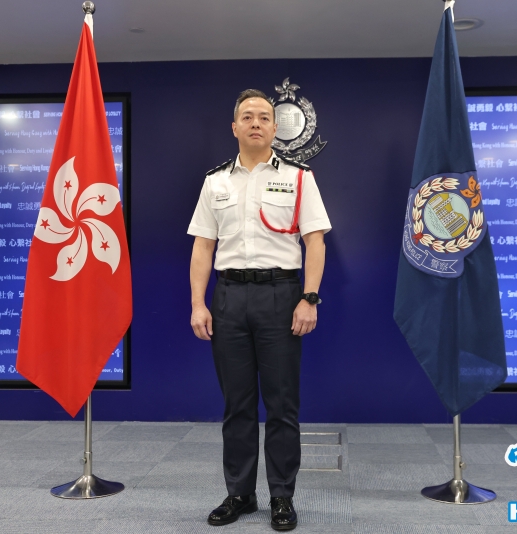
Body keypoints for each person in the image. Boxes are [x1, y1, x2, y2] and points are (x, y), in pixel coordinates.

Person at [187, 89, 331, 531]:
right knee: (237, 404)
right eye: (247, 116)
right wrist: (198, 303)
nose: (255, 123)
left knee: (282, 404)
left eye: (264, 117)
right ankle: (240, 494)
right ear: (234, 127)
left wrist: (309, 298)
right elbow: (203, 247)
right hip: (228, 297)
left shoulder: (299, 177)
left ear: (275, 128)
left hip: (280, 296)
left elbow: (315, 241)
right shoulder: (216, 182)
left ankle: (282, 496)